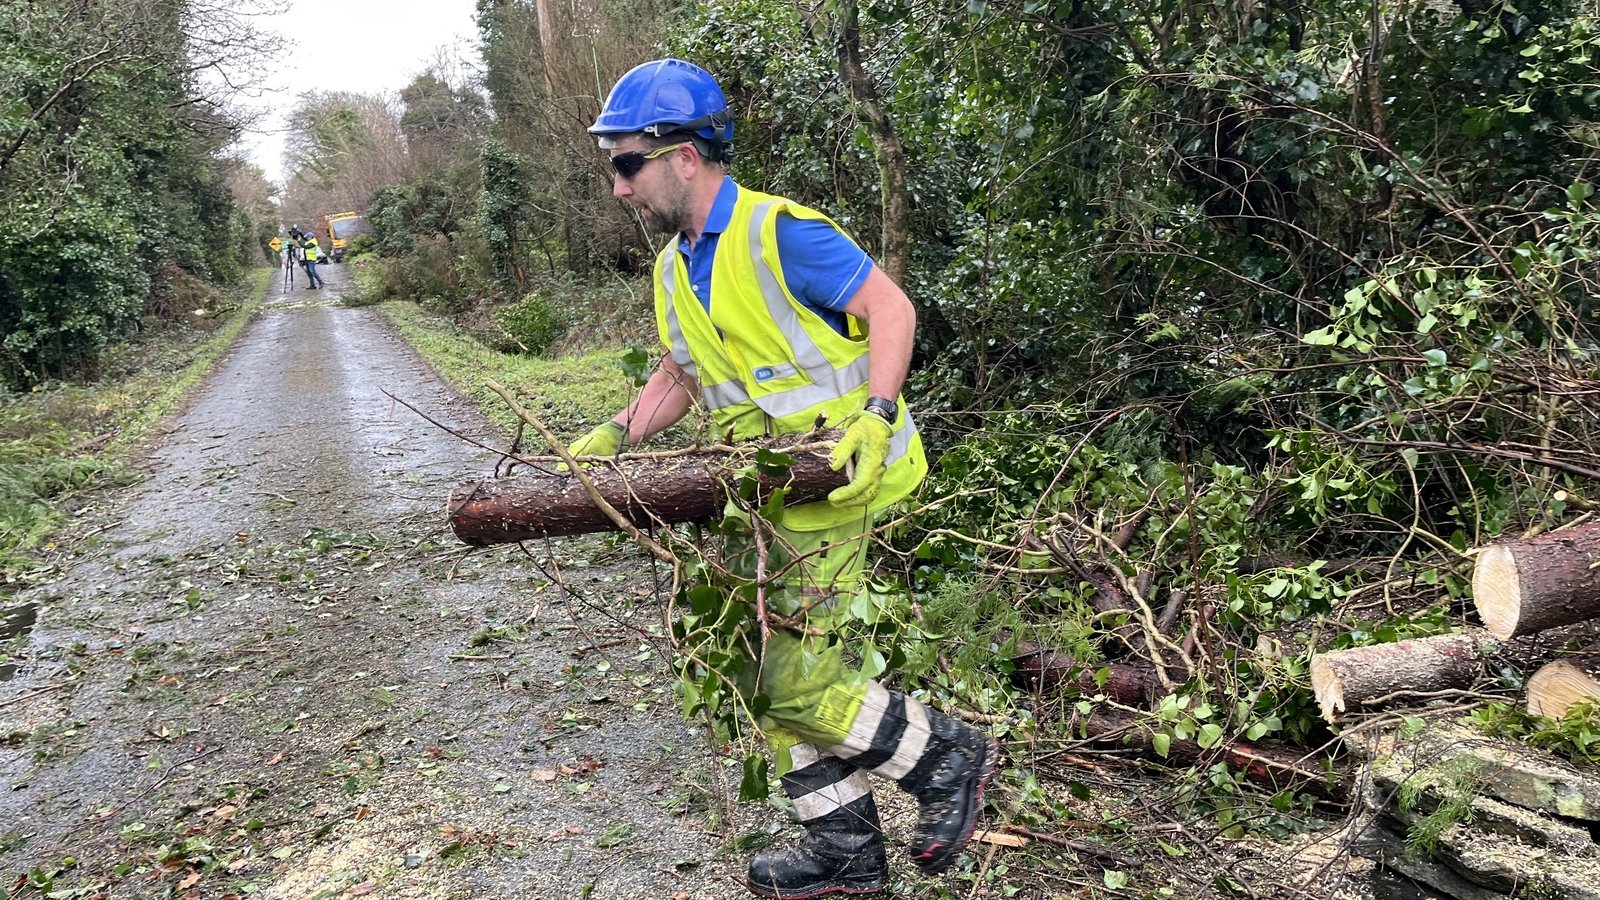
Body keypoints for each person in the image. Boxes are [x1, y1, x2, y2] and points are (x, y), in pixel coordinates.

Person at [569, 58, 998, 898]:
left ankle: (944, 755)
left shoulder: (780, 233)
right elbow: (683, 375)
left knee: (792, 676)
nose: (619, 188)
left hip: (840, 475)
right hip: (763, 490)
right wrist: (617, 432)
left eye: (626, 164)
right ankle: (842, 845)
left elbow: (893, 309)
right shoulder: (671, 271)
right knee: (752, 657)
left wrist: (875, 414)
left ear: (684, 154)